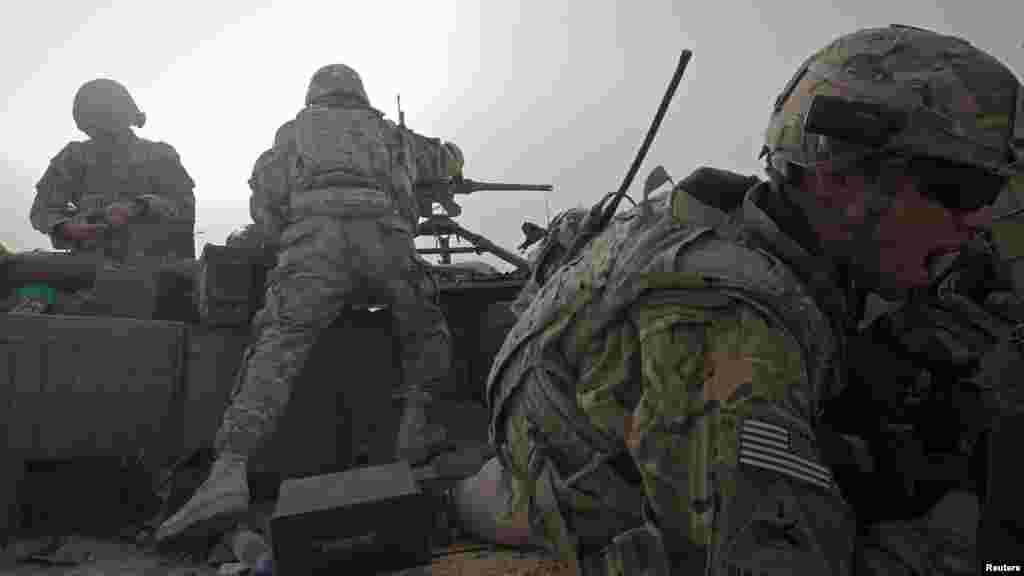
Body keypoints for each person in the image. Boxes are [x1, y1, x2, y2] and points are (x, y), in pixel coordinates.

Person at [447, 25, 1023, 574]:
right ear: (838, 169)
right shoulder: (725, 326)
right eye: (961, 190)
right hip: (616, 520)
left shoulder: (760, 234)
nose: (977, 219)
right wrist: (971, 537)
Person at [156, 64, 463, 543]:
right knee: (424, 331)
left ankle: (229, 472)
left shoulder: (293, 133)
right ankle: (416, 434)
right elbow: (447, 158)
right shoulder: (391, 132)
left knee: (278, 346)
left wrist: (294, 242)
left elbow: (265, 197)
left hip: (312, 242)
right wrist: (443, 174)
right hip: (387, 236)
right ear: (360, 94)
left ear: (314, 94)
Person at [29, 78, 196, 262]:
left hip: (154, 266)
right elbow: (42, 210)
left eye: (103, 118)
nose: (99, 129)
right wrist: (66, 227)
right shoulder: (73, 157)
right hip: (89, 265)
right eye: (91, 120)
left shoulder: (159, 155)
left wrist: (138, 208)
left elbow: (184, 207)